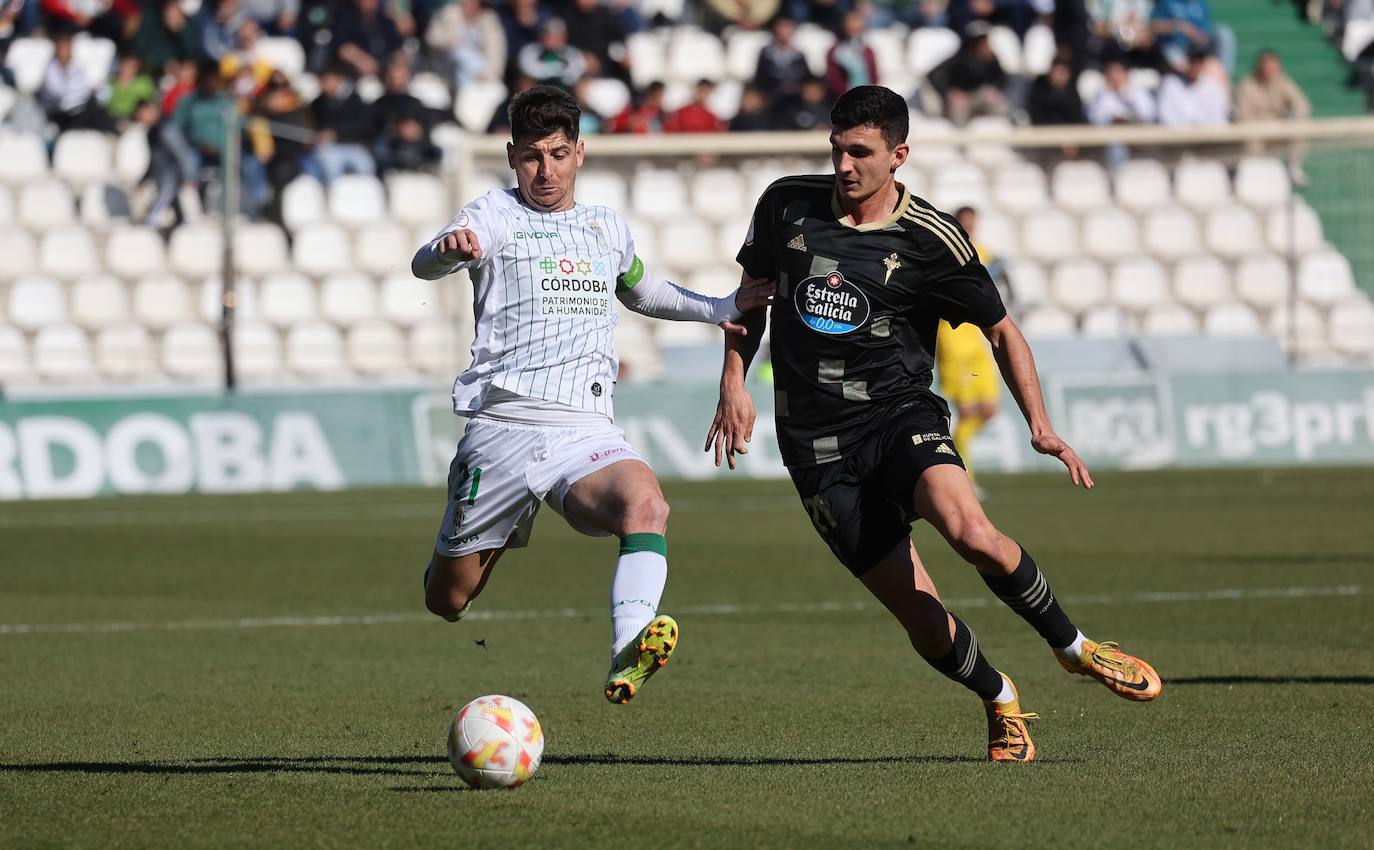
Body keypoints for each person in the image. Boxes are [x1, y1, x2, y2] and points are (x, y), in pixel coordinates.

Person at [705, 85, 1161, 763]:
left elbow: (1003, 331)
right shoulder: (785, 204)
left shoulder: (933, 238)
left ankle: (1073, 647)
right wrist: (733, 380)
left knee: (972, 533)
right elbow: (751, 302)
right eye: (836, 148)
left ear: (899, 155)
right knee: (918, 614)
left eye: (860, 151)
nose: (844, 165)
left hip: (899, 415)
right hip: (814, 446)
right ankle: (999, 697)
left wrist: (1040, 424)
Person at [410, 85, 774, 704]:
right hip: (503, 429)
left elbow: (643, 291)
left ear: (580, 152)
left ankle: (629, 648)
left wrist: (720, 308)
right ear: (510, 155)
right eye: (530, 156)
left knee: (648, 508)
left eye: (556, 154)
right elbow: (424, 264)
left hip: (586, 430)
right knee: (449, 599)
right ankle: (482, 539)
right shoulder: (490, 215)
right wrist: (446, 252)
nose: (544, 170)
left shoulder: (606, 229)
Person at [935, 207, 999, 494]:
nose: (969, 228)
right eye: (965, 223)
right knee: (966, 410)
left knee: (988, 410)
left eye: (973, 223)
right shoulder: (943, 251)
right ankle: (963, 477)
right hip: (953, 340)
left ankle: (956, 463)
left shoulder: (983, 252)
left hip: (977, 342)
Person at [1157, 46, 1229, 126]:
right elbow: (1165, 117)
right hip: (1176, 136)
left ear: (1204, 64)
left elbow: (1219, 120)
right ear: (1187, 61)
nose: (1195, 66)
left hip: (1206, 137)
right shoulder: (1170, 84)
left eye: (1199, 62)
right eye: (1193, 61)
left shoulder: (1212, 87)